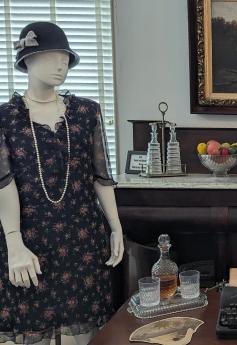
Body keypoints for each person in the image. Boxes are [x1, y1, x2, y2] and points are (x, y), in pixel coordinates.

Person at [0, 22, 124, 345]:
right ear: (27, 59)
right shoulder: (6, 118)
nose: (61, 64)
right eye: (52, 56)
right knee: (32, 333)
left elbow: (101, 177)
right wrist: (14, 243)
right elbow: (3, 183)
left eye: (66, 58)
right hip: (29, 246)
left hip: (82, 243)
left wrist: (116, 226)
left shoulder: (86, 113)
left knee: (82, 336)